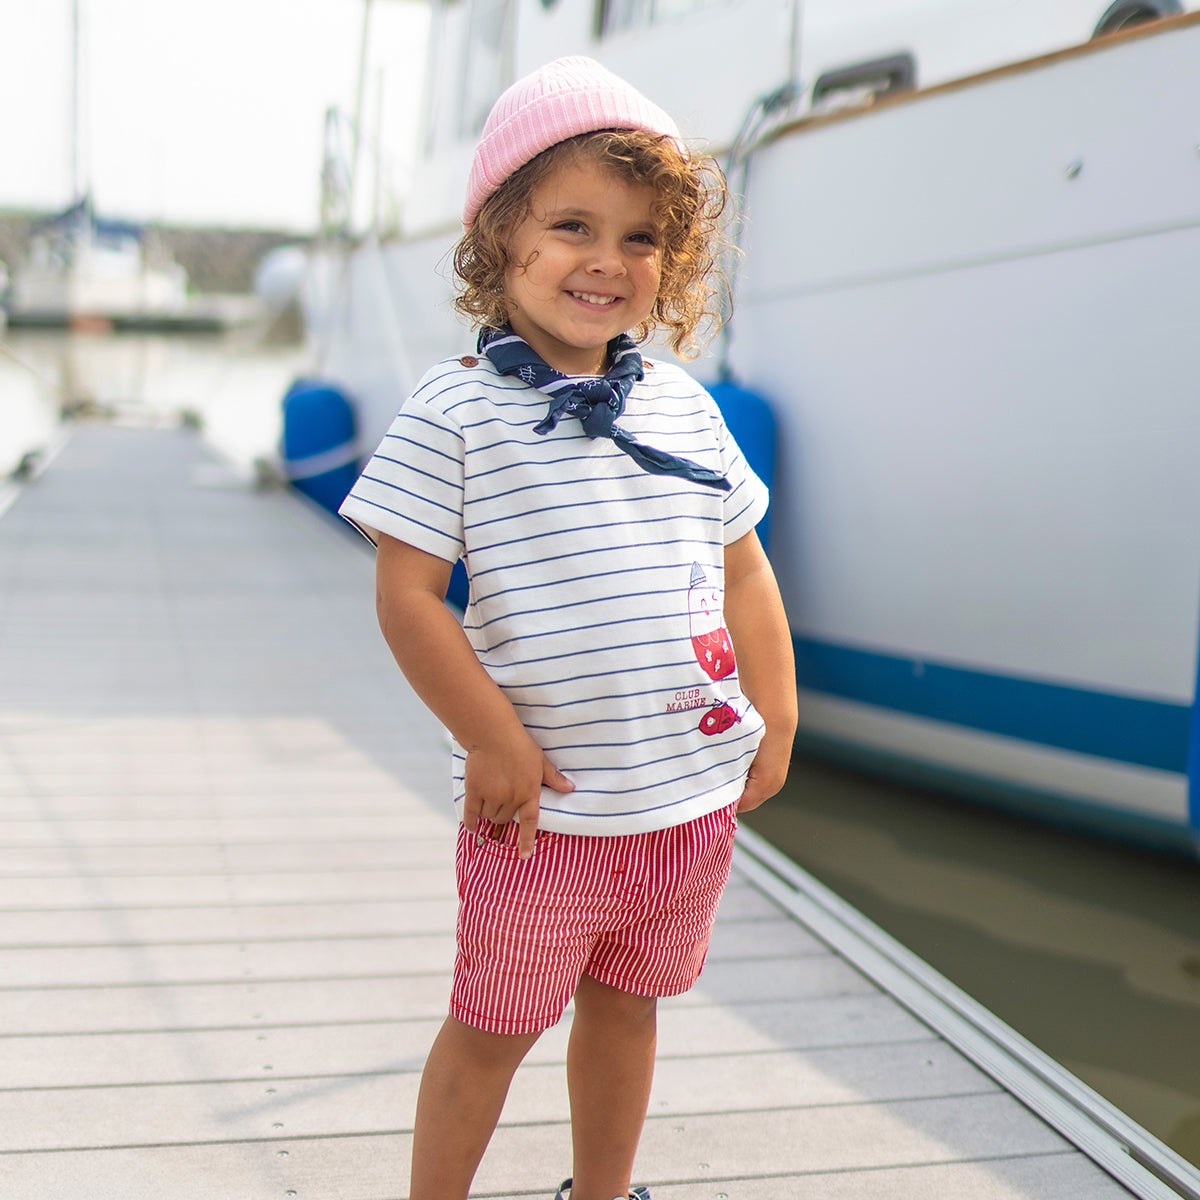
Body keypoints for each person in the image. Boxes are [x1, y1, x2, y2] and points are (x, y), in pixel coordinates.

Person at [338, 55, 797, 1200]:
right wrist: (490, 735)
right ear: (500, 236)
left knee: (631, 1006)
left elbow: (743, 565)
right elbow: (407, 596)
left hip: (683, 803)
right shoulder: (454, 411)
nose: (607, 260)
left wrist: (778, 713)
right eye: (572, 226)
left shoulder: (683, 405)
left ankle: (602, 1191)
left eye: (640, 239)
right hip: (544, 812)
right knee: (492, 1028)